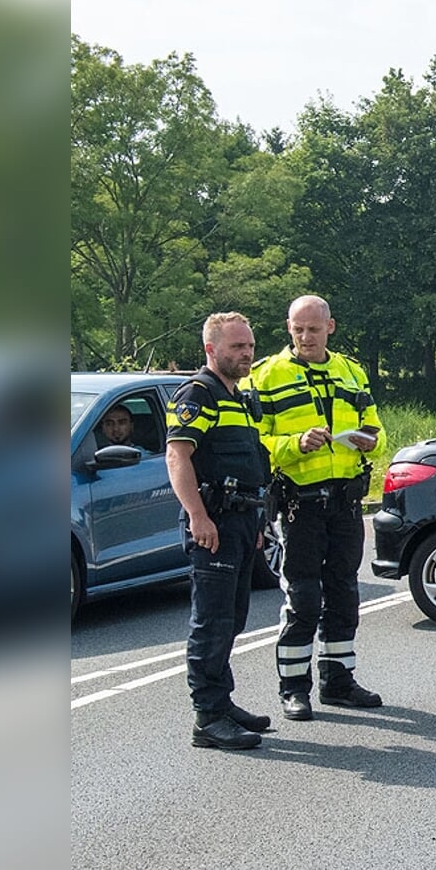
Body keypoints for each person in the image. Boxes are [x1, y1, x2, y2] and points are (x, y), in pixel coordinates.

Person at [248, 295, 387, 720]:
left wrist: (370, 440)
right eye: (297, 329)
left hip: (345, 501)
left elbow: (377, 429)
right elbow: (255, 444)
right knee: (304, 596)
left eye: (312, 328)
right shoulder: (267, 376)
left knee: (345, 593)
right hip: (298, 505)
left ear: (331, 327)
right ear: (288, 328)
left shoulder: (350, 370)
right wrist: (295, 444)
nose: (305, 336)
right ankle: (293, 687)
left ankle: (338, 680)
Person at [165, 312, 272, 750]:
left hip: (243, 521)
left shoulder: (240, 396)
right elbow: (178, 458)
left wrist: (258, 523)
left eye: (249, 346)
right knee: (211, 622)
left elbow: (249, 465)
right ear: (211, 349)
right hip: (215, 523)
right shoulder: (198, 394)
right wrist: (197, 516)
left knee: (234, 619)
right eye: (236, 347)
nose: (246, 353)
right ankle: (208, 717)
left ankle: (222, 702)